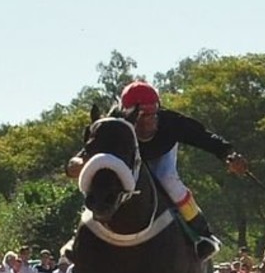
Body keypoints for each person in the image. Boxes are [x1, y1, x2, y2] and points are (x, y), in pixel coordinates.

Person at [66, 81, 248, 260]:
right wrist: (77, 163)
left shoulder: (171, 122)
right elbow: (87, 152)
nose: (147, 123)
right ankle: (78, 237)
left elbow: (203, 136)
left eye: (152, 115)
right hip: (129, 161)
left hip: (161, 155)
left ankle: (202, 233)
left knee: (167, 179)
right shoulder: (115, 126)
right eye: (139, 116)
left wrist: (228, 154)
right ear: (126, 114)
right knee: (102, 181)